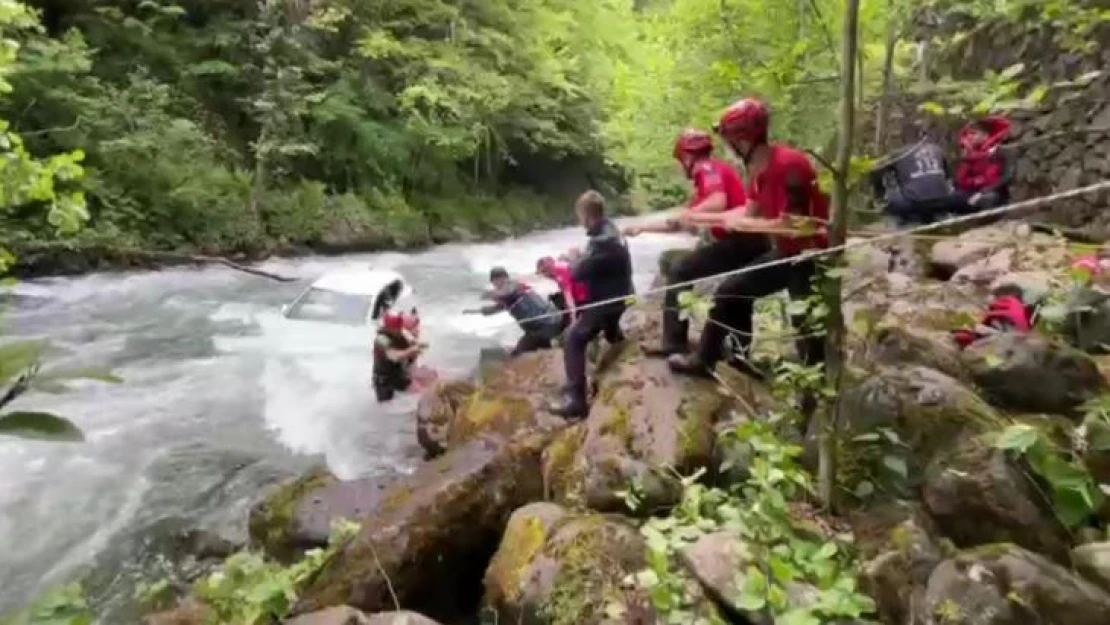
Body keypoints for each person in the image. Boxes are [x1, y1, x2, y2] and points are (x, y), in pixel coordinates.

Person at [669, 97, 829, 380]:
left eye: (729, 141)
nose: (727, 149)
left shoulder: (789, 164)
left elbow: (793, 226)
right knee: (730, 291)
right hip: (786, 252)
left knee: (808, 331)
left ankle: (816, 397)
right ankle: (709, 360)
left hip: (808, 256)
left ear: (742, 140)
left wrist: (743, 221)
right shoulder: (758, 170)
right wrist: (704, 217)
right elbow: (749, 210)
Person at [624, 128, 767, 357]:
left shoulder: (708, 169)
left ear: (687, 157)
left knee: (680, 270)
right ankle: (740, 354)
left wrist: (690, 214)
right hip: (751, 241)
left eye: (678, 161)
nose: (679, 167)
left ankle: (674, 342)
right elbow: (681, 222)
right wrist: (642, 227)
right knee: (738, 295)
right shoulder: (711, 178)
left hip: (742, 239)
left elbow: (717, 203)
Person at [550, 190, 634, 419]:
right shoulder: (612, 230)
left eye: (580, 217)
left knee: (573, 338)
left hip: (608, 301)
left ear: (586, 216)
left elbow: (578, 272)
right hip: (622, 294)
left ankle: (575, 400)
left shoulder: (602, 241)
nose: (580, 222)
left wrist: (571, 259)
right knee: (608, 329)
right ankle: (617, 339)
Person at [463, 267, 564, 357]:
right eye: (494, 282)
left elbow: (506, 292)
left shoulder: (514, 286)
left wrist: (485, 294)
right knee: (541, 348)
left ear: (505, 278)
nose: (497, 284)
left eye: (499, 280)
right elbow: (493, 309)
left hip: (546, 324)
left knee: (519, 353)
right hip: (538, 328)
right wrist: (472, 311)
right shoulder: (508, 298)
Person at [871, 136, 958, 225]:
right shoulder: (937, 149)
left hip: (914, 203)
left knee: (891, 199)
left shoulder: (899, 153)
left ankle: (897, 225)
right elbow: (948, 175)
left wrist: (879, 192)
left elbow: (876, 169)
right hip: (943, 200)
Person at [953, 115, 1012, 213]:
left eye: (973, 134)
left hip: (993, 193)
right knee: (952, 199)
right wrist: (966, 160)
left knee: (988, 199)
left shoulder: (998, 152)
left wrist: (982, 191)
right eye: (968, 134)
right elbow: (960, 181)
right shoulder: (970, 154)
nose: (970, 137)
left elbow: (1001, 178)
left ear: (985, 135)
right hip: (972, 191)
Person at [372, 310, 425, 402]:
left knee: (421, 393)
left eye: (400, 327)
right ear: (389, 328)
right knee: (386, 407)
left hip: (399, 376)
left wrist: (416, 346)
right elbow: (394, 356)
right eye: (397, 328)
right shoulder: (381, 340)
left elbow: (411, 353)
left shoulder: (400, 333)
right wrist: (411, 350)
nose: (399, 330)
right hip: (385, 382)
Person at [537, 255, 589, 329]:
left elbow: (568, 296)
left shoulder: (559, 272)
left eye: (543, 273)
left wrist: (573, 318)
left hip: (583, 296)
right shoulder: (560, 265)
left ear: (547, 269)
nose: (544, 276)